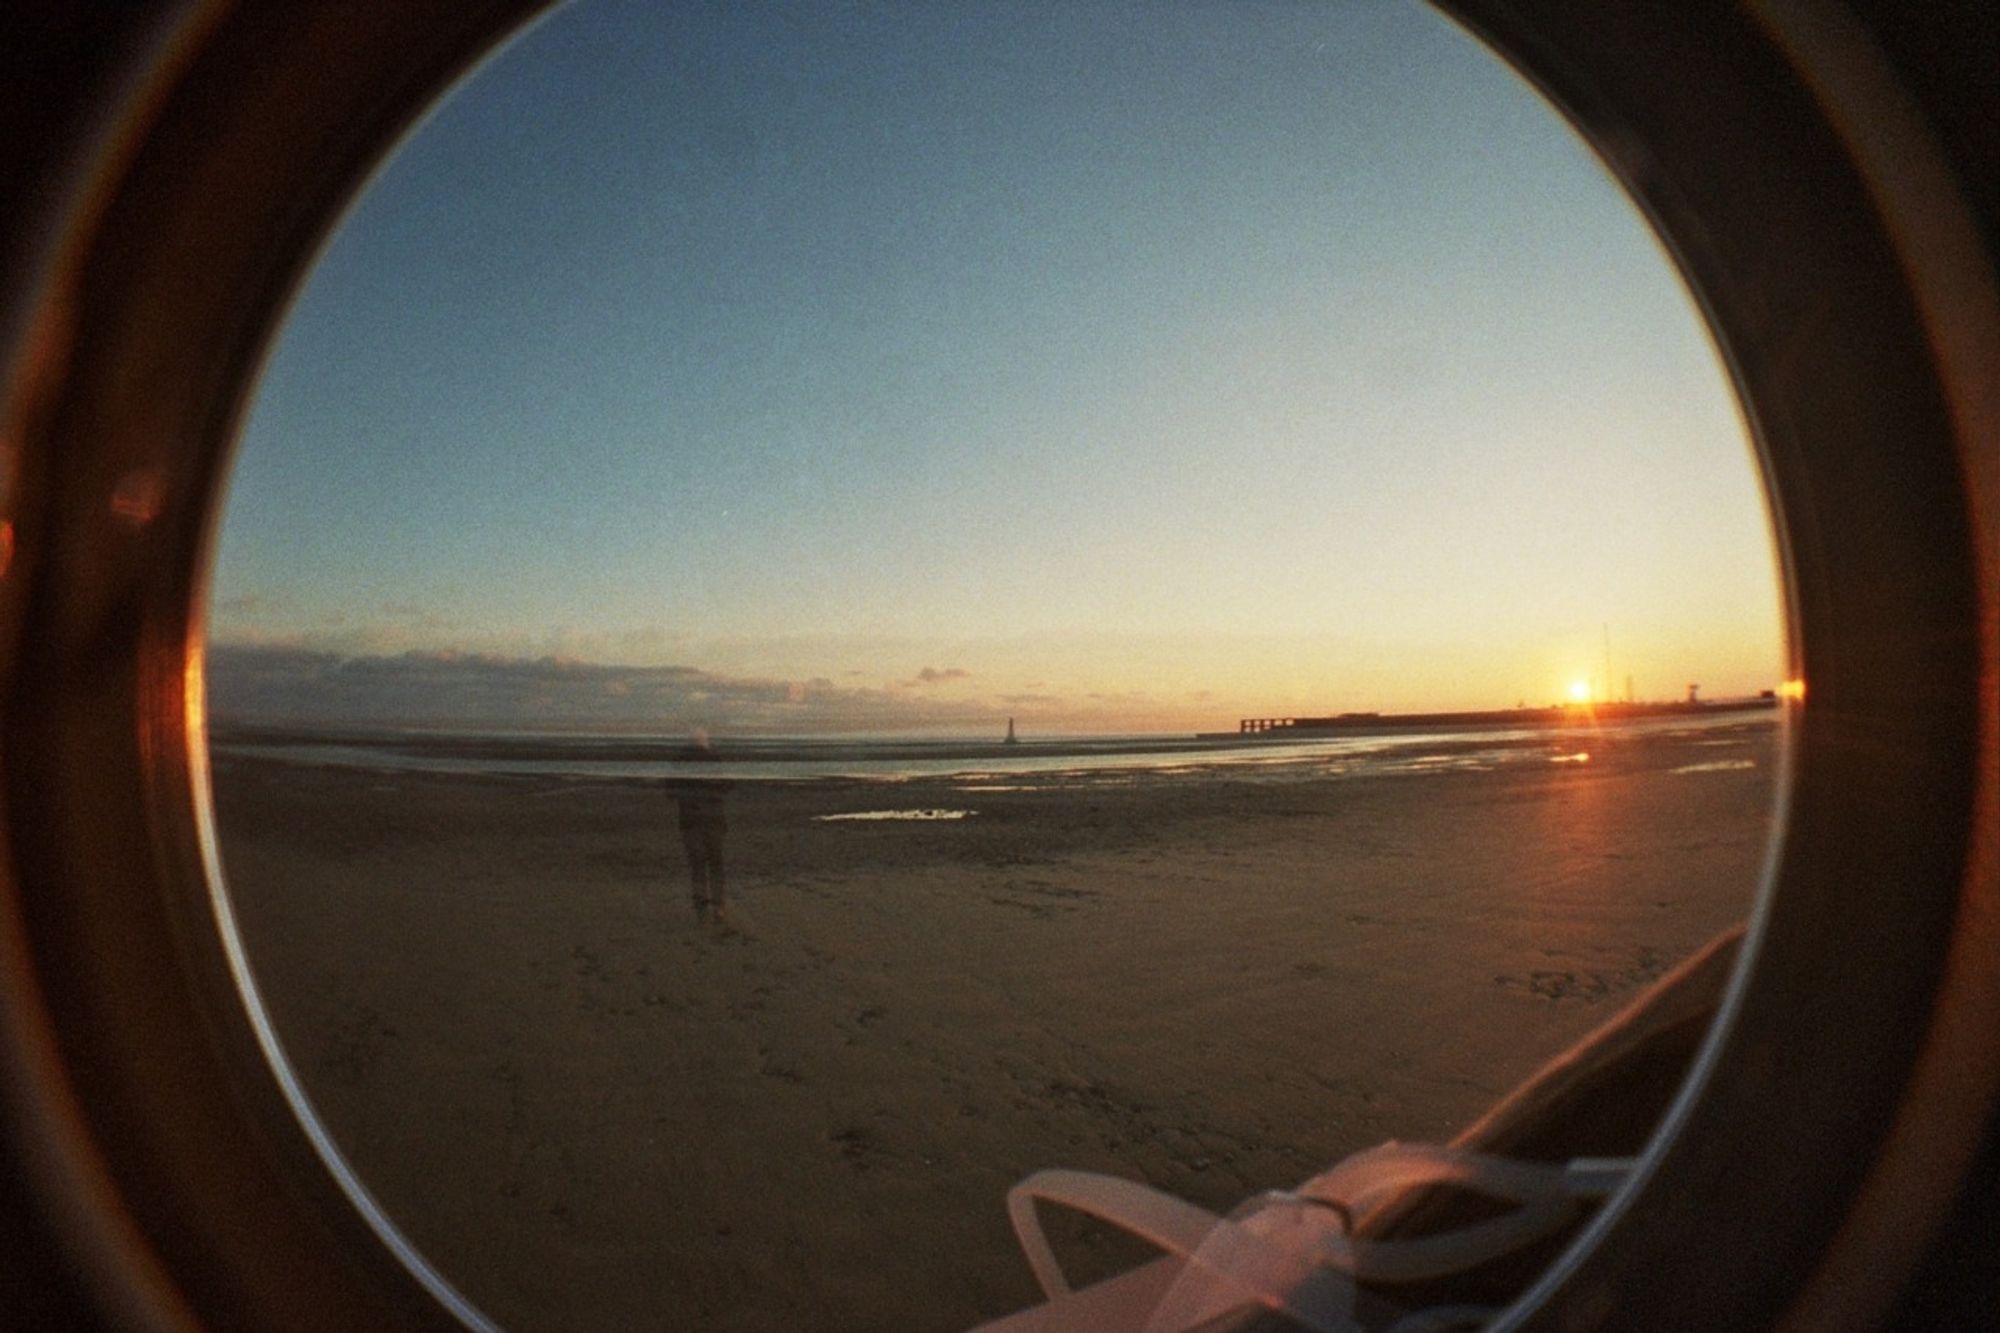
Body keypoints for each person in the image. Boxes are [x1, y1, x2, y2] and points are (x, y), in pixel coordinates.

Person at [667, 730, 732, 923]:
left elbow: (670, 792)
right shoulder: (712, 760)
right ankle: (715, 906)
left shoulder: (682, 762)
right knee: (713, 863)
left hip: (696, 820)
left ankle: (705, 907)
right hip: (706, 820)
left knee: (701, 864)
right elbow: (727, 786)